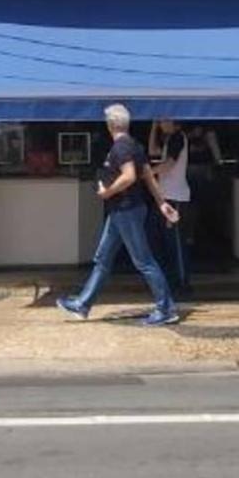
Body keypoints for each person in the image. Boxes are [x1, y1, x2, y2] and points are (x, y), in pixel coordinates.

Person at [57, 103, 180, 327]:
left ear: (110, 125)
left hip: (126, 209)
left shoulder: (121, 148)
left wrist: (107, 192)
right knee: (103, 259)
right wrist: (161, 202)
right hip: (123, 210)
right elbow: (147, 175)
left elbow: (130, 176)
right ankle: (82, 304)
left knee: (144, 261)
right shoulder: (134, 145)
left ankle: (166, 309)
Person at [148, 117, 191, 295]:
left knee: (175, 243)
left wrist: (148, 173)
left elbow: (169, 164)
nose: (161, 124)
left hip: (175, 197)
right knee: (160, 240)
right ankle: (170, 280)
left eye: (163, 120)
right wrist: (153, 128)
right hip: (165, 197)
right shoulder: (169, 140)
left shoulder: (178, 137)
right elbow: (152, 150)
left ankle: (182, 283)